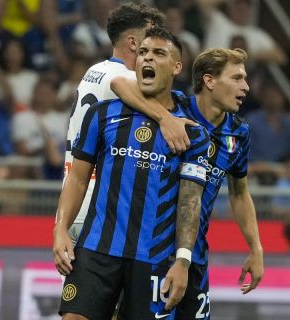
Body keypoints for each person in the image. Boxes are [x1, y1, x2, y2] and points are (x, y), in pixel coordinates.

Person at [54, 27, 210, 319]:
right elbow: (77, 178)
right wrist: (60, 229)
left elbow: (191, 202)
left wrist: (183, 261)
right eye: (143, 52)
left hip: (154, 258)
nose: (147, 58)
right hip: (97, 248)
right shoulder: (102, 114)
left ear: (176, 67)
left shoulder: (191, 132)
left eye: (159, 53)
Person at [111, 47, 264, 319]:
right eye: (237, 78)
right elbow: (121, 84)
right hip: (153, 250)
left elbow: (239, 193)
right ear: (209, 81)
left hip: (196, 255)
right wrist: (163, 118)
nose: (246, 87)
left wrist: (256, 248)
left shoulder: (239, 132)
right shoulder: (174, 106)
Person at [53, 2, 194, 260]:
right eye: (148, 38)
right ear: (132, 42)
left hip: (74, 200)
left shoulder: (94, 71)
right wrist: (166, 118)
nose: (153, 46)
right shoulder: (121, 77)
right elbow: (122, 84)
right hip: (98, 208)